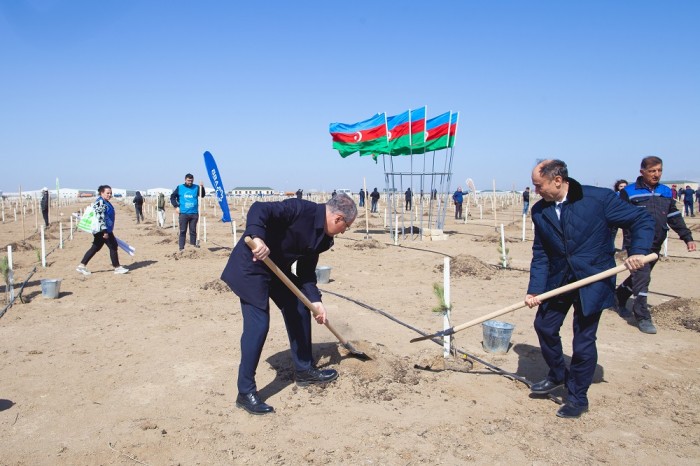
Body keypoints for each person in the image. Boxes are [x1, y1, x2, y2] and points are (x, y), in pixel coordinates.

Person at [525, 159, 653, 419]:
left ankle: (577, 397)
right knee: (544, 326)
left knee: (583, 341)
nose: (536, 191)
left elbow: (641, 219)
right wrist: (535, 289)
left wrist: (637, 250)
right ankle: (558, 374)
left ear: (557, 180)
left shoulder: (598, 199)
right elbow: (541, 253)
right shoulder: (540, 211)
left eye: (539, 185)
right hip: (559, 280)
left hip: (594, 278)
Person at [221, 193, 357, 415]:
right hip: (251, 265)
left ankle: (304, 370)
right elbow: (259, 209)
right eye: (346, 227)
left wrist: (315, 300)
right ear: (338, 218)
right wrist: (258, 237)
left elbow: (305, 272)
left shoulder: (323, 238)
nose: (344, 232)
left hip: (276, 269)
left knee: (300, 307)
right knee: (258, 325)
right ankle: (245, 392)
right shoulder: (300, 209)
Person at [616, 157, 696, 333]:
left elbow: (673, 217)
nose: (656, 174)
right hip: (637, 245)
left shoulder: (665, 192)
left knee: (638, 277)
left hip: (656, 244)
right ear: (642, 171)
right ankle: (642, 316)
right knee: (643, 278)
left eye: (659, 170)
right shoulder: (629, 192)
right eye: (652, 171)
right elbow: (616, 217)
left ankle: (619, 297)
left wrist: (687, 237)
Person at [76, 185, 129, 275]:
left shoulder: (105, 202)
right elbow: (100, 218)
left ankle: (82, 265)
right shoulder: (100, 202)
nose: (109, 195)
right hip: (103, 230)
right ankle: (117, 267)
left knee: (96, 247)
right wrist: (104, 231)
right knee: (113, 246)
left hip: (105, 229)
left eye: (110, 193)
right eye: (107, 193)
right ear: (101, 193)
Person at [170, 173, 205, 251]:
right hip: (183, 213)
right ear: (185, 180)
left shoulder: (196, 187)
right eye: (188, 180)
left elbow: (202, 195)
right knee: (183, 231)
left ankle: (192, 248)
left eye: (191, 180)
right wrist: (176, 206)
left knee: (193, 231)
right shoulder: (180, 187)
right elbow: (172, 197)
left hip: (194, 213)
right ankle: (181, 248)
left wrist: (202, 187)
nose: (190, 182)